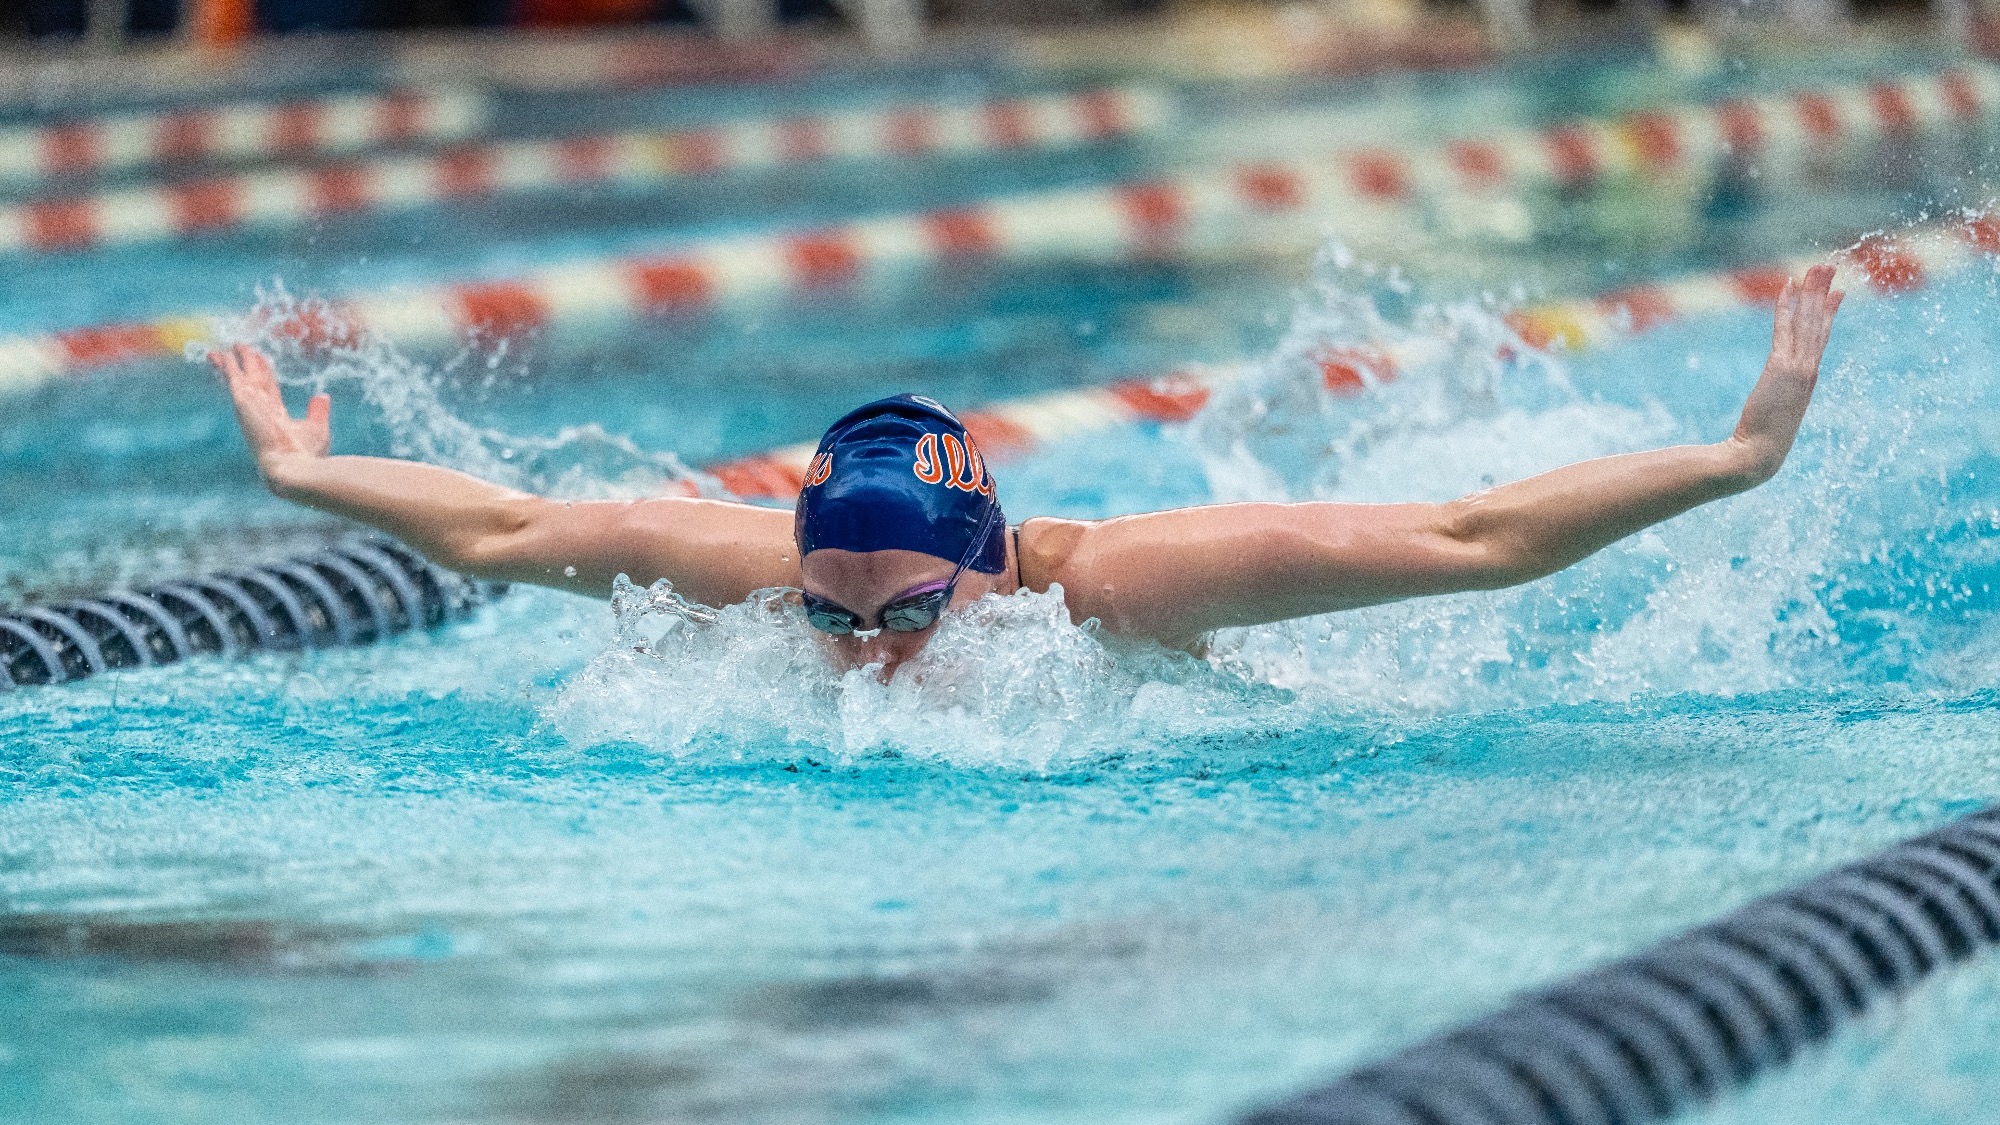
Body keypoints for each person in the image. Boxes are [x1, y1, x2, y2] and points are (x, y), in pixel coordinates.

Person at [212, 266, 1844, 675]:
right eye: (832, 616)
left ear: (985, 558)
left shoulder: (1115, 590)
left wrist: (1732, 456)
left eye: (909, 613)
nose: (872, 655)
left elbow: (1471, 537)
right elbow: (503, 528)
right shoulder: (768, 572)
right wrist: (302, 479)